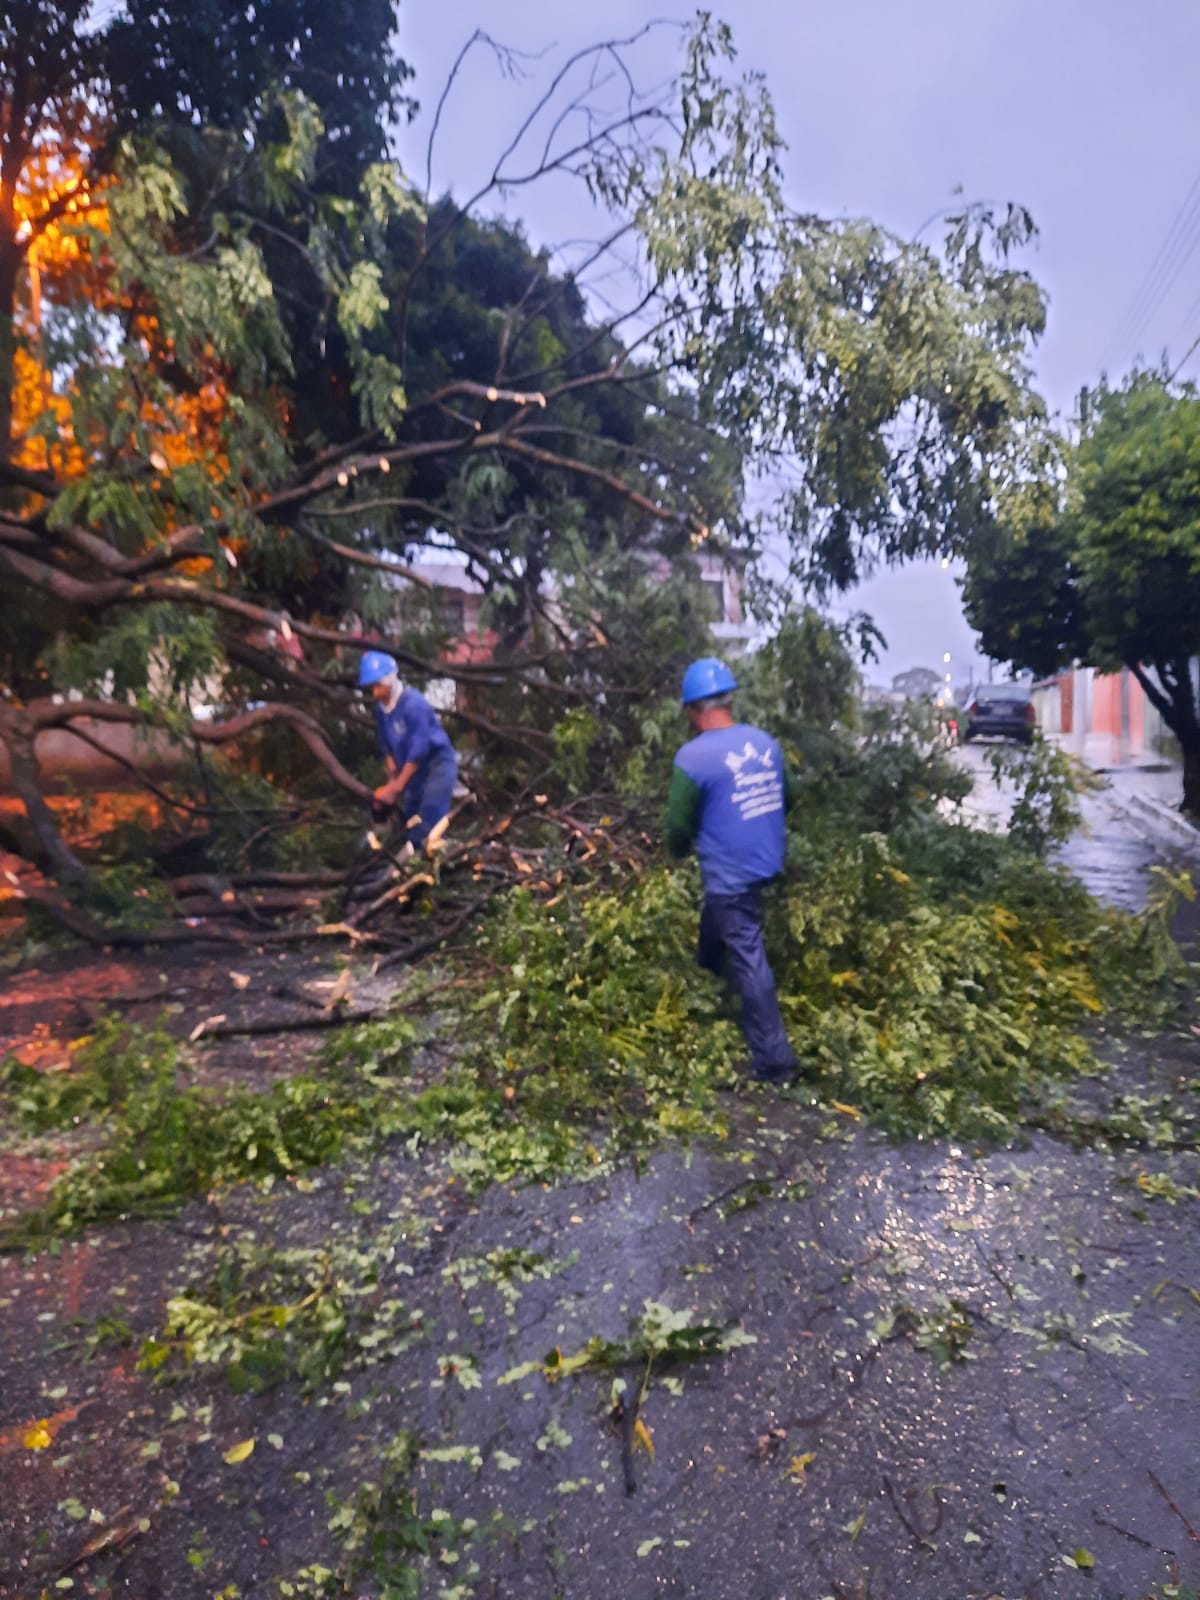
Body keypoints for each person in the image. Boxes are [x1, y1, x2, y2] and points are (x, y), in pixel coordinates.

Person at [665, 657, 799, 1085]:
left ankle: (776, 1060)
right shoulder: (766, 743)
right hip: (767, 861)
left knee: (746, 950)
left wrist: (677, 851)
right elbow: (789, 796)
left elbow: (678, 826)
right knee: (720, 916)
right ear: (729, 702)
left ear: (692, 710)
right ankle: (707, 974)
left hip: (732, 873)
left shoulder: (693, 757)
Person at [358, 651, 458, 849]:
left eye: (377, 686)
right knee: (411, 818)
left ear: (388, 681)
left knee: (430, 817)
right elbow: (387, 747)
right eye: (372, 687)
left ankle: (437, 858)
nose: (374, 693)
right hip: (411, 771)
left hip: (435, 765)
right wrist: (391, 781)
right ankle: (413, 859)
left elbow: (417, 753)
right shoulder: (381, 710)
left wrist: (395, 789)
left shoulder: (414, 705)